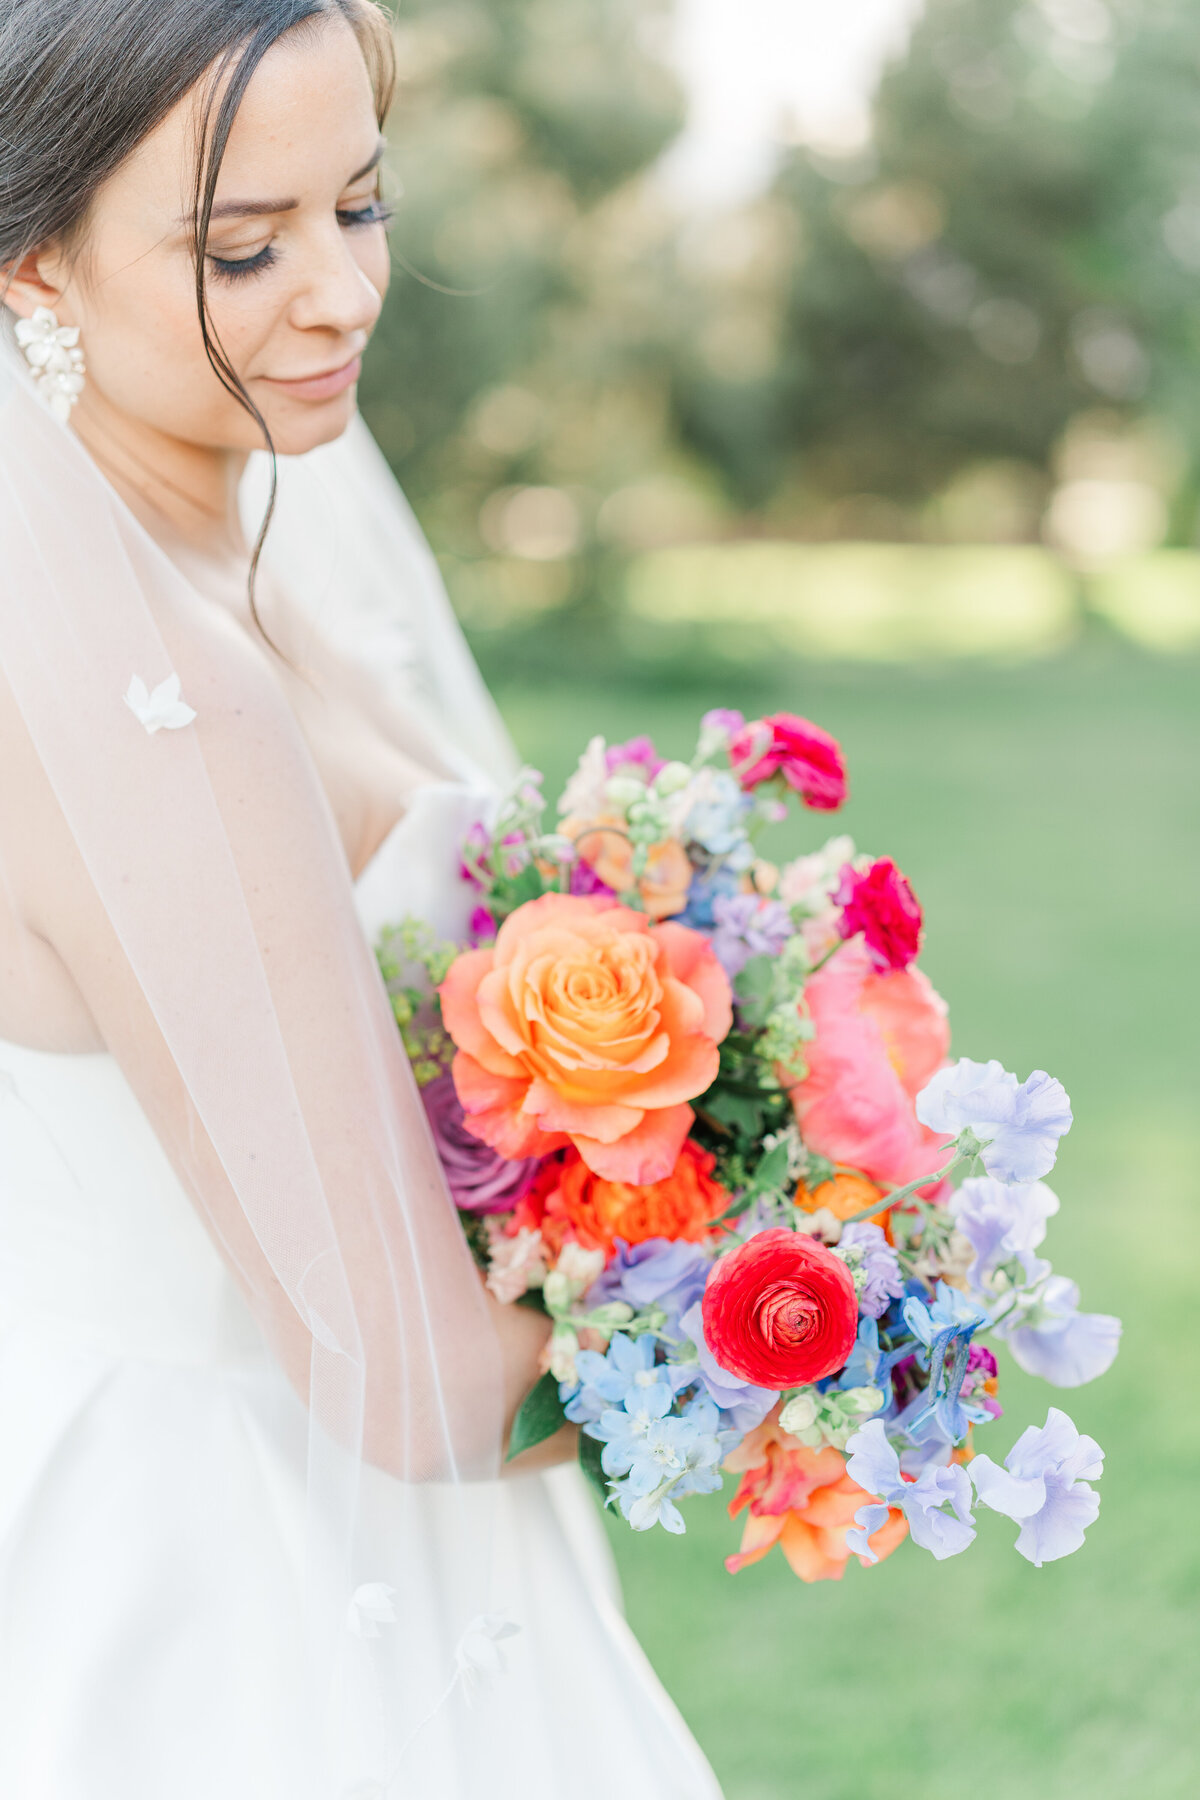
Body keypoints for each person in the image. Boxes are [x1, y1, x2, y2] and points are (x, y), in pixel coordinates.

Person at [0, 3, 723, 1795]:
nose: (338, 293)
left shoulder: (223, 545)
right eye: (244, 247)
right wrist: (796, 1306)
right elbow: (420, 1388)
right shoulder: (146, 687)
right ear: (33, 271)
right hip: (241, 1577)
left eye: (363, 207)